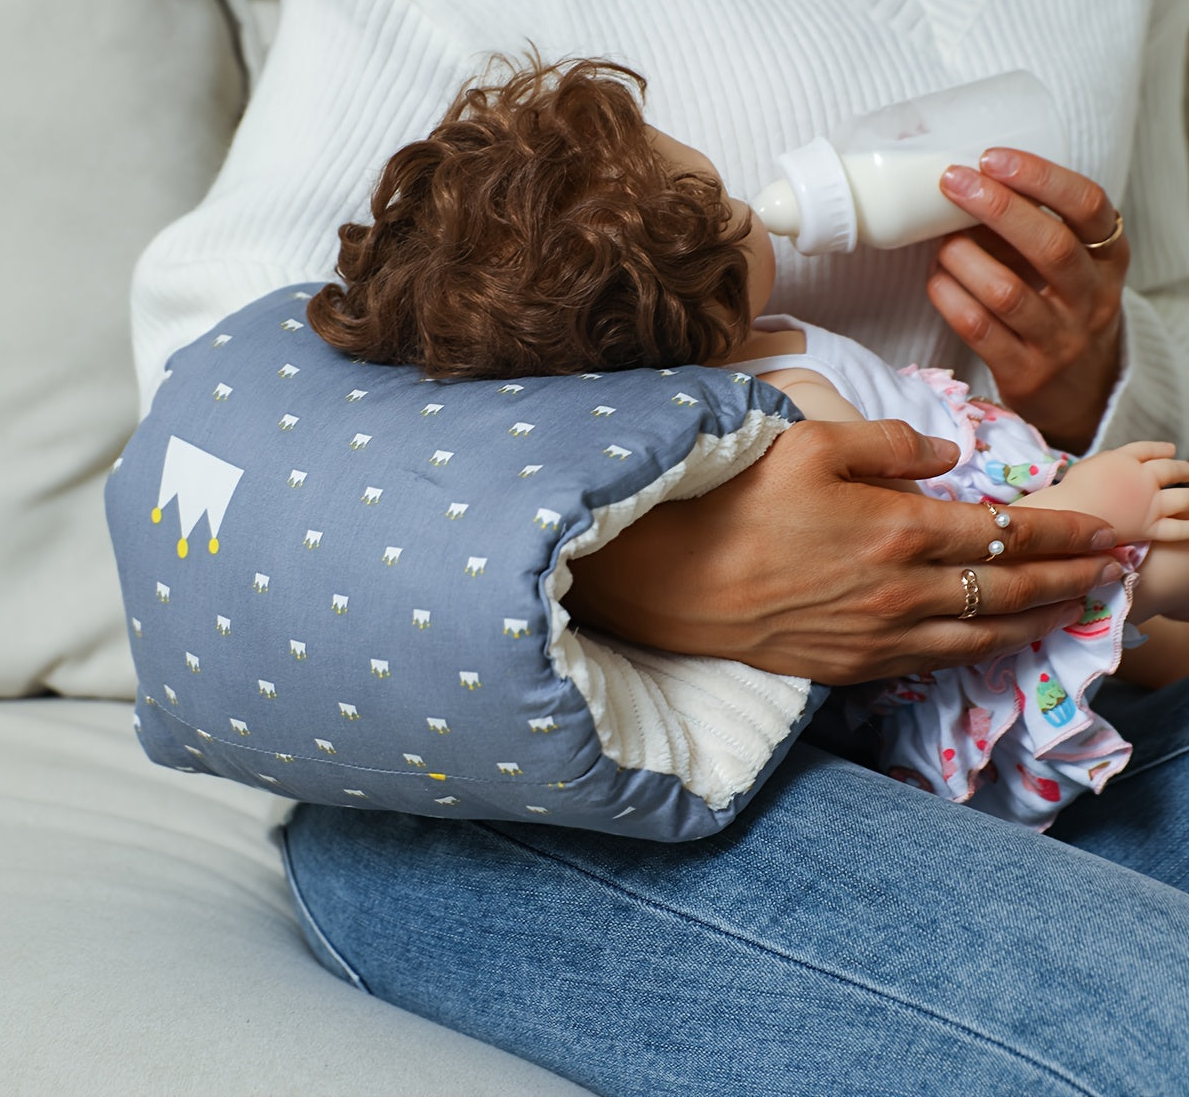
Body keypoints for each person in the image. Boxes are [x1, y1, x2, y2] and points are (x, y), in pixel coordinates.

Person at [133, 0, 1189, 1091]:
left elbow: (1168, 295)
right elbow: (215, 390)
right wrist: (640, 566)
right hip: (555, 749)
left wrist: (1094, 373)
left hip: (1006, 669)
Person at [304, 54, 1189, 829]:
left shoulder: (749, 354)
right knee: (1163, 545)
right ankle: (1133, 589)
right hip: (999, 604)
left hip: (1007, 526)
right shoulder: (786, 405)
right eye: (728, 198)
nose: (751, 203)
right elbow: (912, 551)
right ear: (717, 270)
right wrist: (1089, 514)